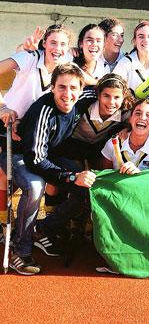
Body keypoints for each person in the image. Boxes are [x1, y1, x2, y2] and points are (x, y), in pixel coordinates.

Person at [1, 63, 97, 275]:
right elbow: (35, 159)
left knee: (89, 186)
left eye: (73, 88)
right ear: (52, 87)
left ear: (82, 89)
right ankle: (20, 250)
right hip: (21, 155)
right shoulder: (43, 110)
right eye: (61, 87)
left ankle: (42, 229)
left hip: (51, 155)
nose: (67, 94)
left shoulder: (84, 97)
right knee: (36, 186)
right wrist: (71, 177)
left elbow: (106, 88)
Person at [57, 73, 135, 169]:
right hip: (69, 147)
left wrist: (127, 128)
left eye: (117, 97)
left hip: (97, 151)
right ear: (99, 94)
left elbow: (140, 121)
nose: (111, 102)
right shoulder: (83, 101)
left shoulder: (126, 111)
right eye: (106, 96)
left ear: (123, 96)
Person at [102, 99, 149, 173]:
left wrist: (138, 174)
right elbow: (104, 175)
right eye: (138, 113)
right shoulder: (114, 142)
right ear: (130, 119)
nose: (142, 118)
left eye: (148, 115)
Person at [113, 20, 149, 98]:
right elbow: (113, 88)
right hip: (133, 109)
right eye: (141, 36)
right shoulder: (125, 63)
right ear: (134, 41)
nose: (146, 40)